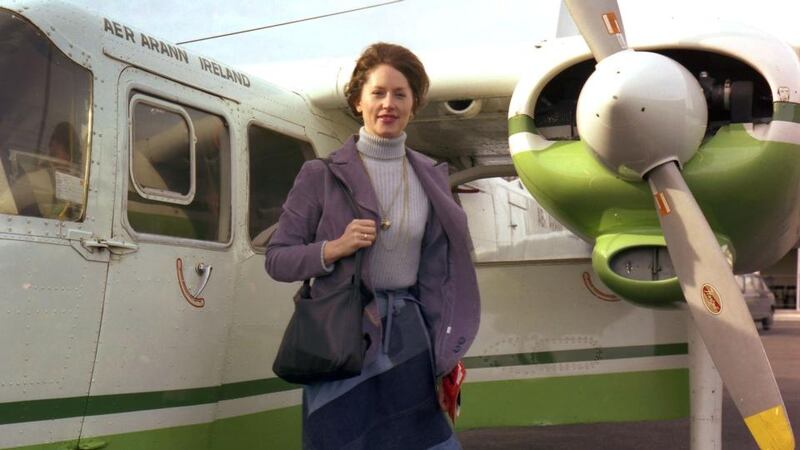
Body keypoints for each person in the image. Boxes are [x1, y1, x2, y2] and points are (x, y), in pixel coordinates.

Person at [265, 42, 480, 450]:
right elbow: (277, 259)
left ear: (414, 104)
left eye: (400, 94)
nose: (388, 104)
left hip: (410, 336)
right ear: (358, 100)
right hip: (341, 337)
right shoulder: (320, 175)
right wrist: (333, 248)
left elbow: (438, 274)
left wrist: (444, 348)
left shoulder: (432, 176)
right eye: (378, 92)